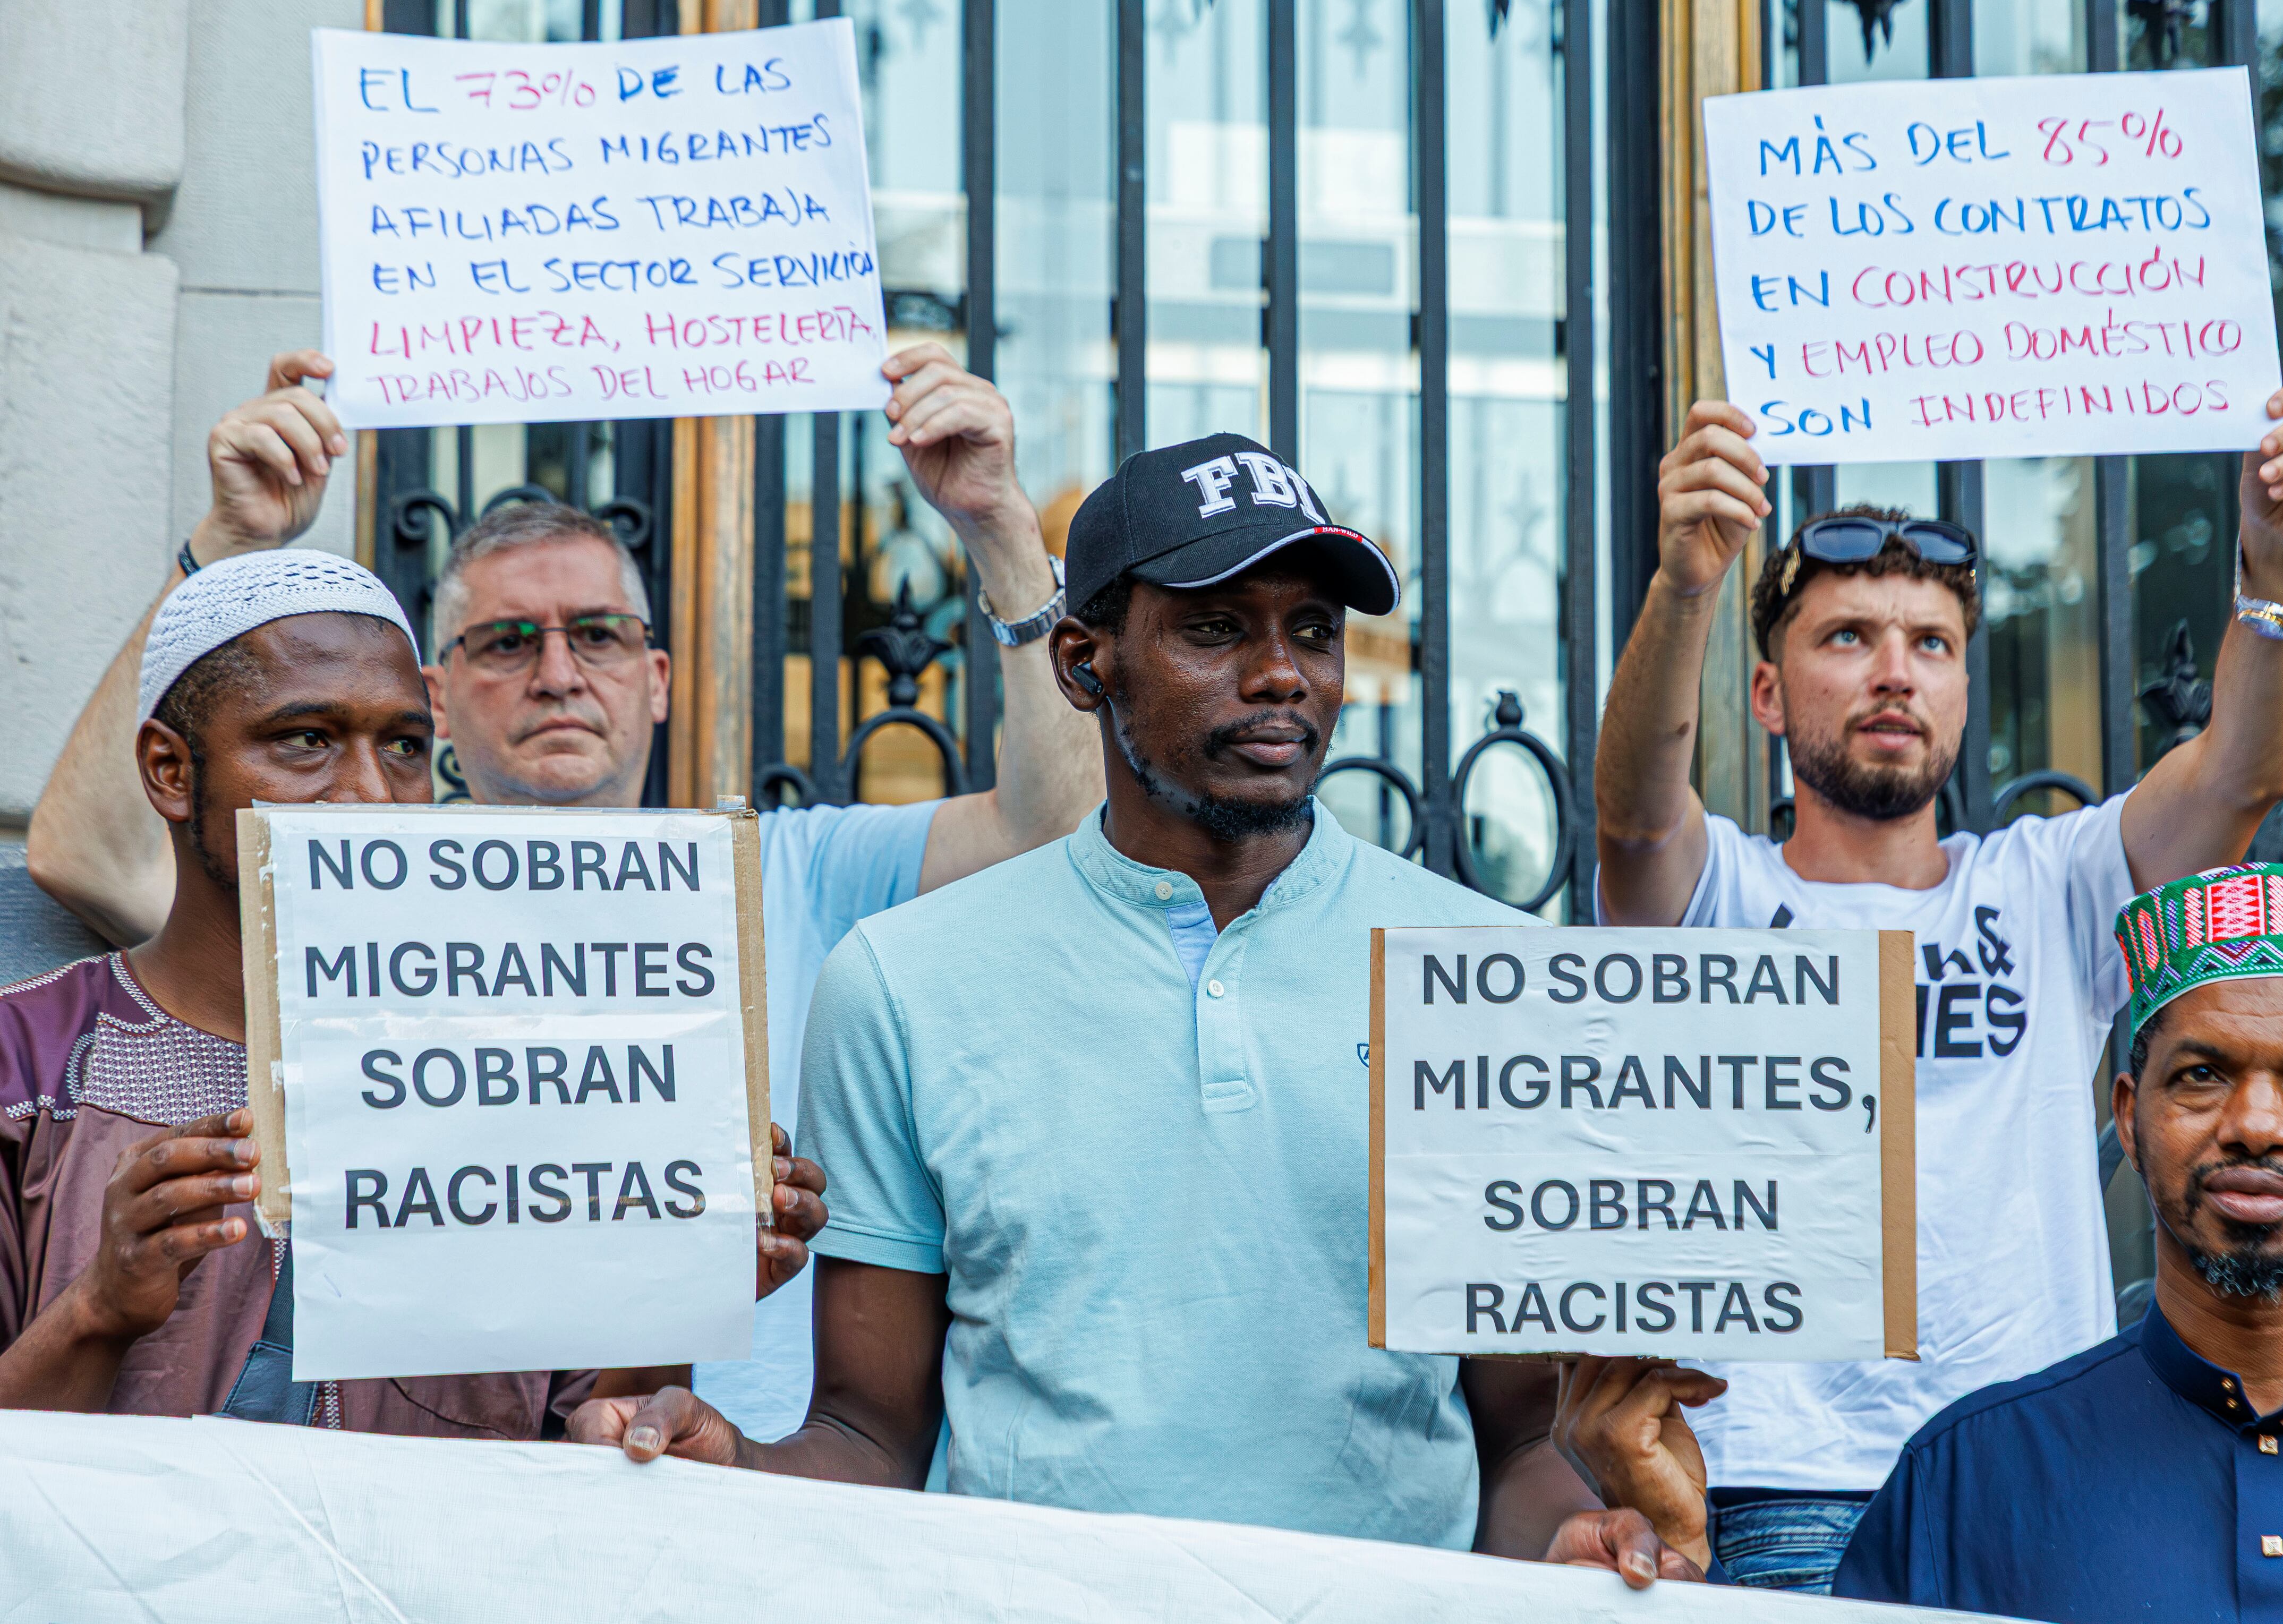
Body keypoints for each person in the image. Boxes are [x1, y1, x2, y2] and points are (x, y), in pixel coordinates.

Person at [562, 432, 1676, 1573]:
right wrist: (734, 1465)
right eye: (1214, 627)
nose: (1283, 672)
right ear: (1085, 662)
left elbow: (1517, 1438)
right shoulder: (901, 981)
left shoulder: (1490, 972)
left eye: (1314, 629)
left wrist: (1572, 1536)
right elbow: (869, 1435)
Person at [23, 343, 1102, 1437]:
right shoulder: (353, 893)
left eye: (598, 634)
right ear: (439, 702)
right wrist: (232, 545)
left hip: (754, 1494)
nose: (557, 672)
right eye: (506, 641)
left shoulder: (788, 864)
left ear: (659, 676)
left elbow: (1060, 837)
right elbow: (88, 849)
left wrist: (999, 523)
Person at [1592, 380, 2283, 1589]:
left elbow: (2239, 776)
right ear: (1767, 694)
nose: (1894, 669)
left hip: (2039, 1468)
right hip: (1784, 1487)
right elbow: (1631, 816)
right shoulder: (1715, 892)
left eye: (1930, 643)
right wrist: (1687, 583)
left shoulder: (2052, 885)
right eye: (1847, 636)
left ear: (1958, 692)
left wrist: (2279, 570)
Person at [1557, 864, 2283, 1622]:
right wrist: (1680, 1564)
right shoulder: (1968, 1477)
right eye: (2202, 1074)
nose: (2258, 1123)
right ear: (2127, 1117)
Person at [0, 549, 827, 1432]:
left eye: (402, 747)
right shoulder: (30, 1061)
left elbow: (587, 1439)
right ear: (171, 771)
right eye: (306, 740)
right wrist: (98, 1310)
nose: (367, 793)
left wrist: (682, 1274)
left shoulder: (532, 1069)